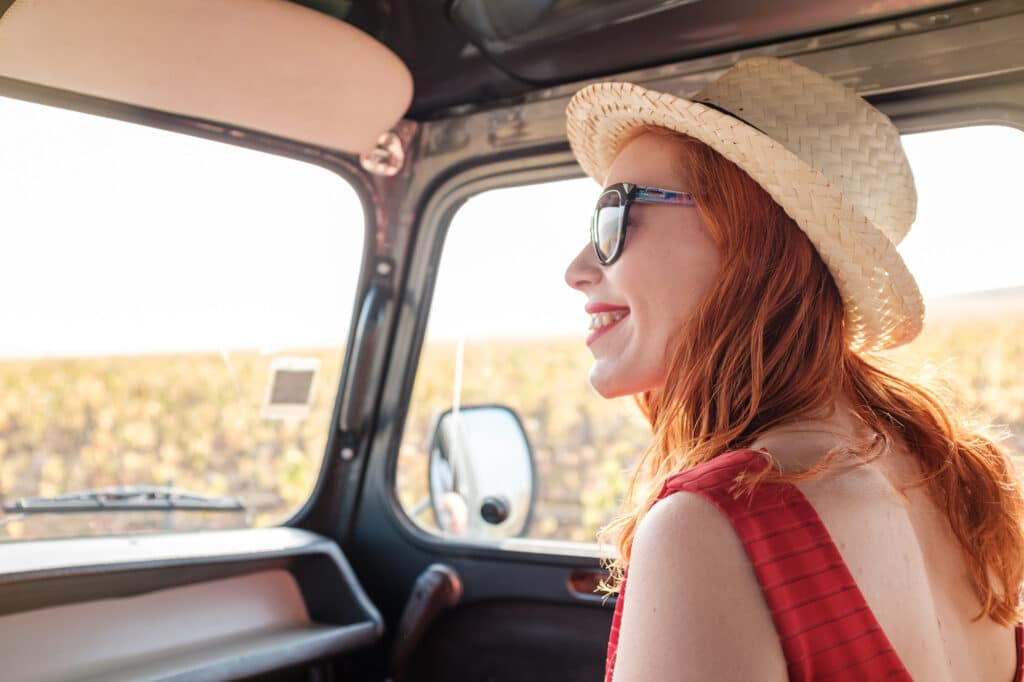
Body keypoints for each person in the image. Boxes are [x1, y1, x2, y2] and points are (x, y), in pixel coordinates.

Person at [563, 57, 1024, 681]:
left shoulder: (710, 522)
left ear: (749, 235)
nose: (577, 269)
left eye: (613, 216)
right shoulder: (953, 479)